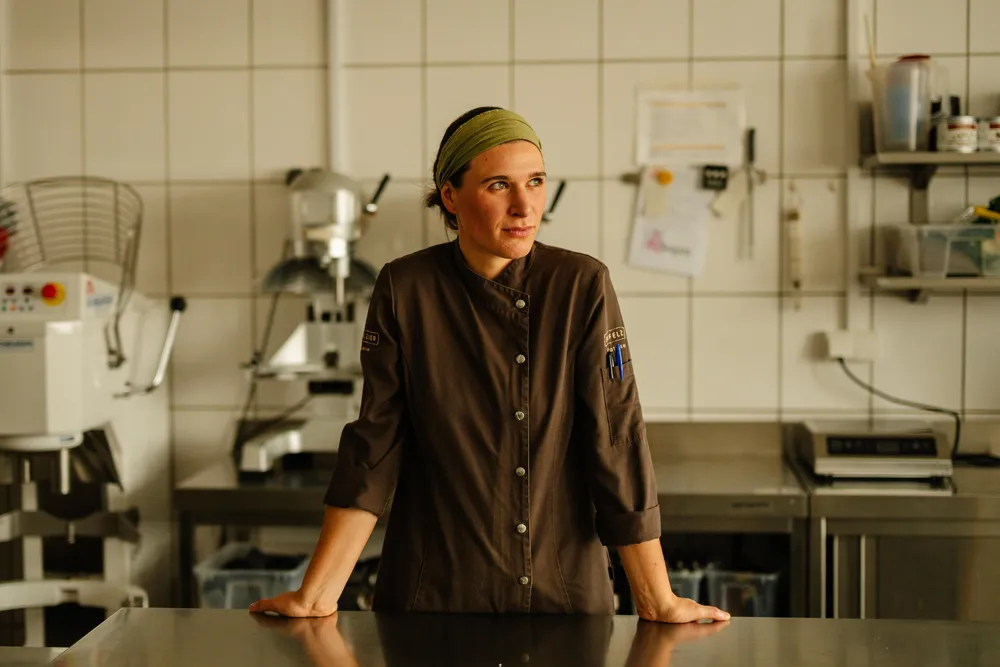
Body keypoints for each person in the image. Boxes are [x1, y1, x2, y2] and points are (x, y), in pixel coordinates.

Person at [250, 106, 729, 624]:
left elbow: (616, 439)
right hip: (431, 598)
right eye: (499, 185)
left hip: (561, 597)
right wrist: (317, 596)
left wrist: (657, 599)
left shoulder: (580, 285)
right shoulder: (406, 289)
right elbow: (374, 448)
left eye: (535, 181)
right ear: (450, 196)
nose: (524, 206)